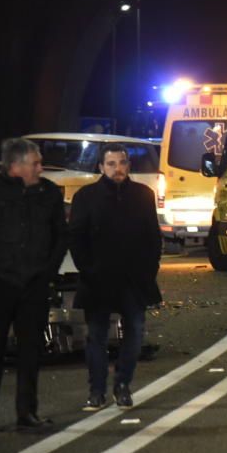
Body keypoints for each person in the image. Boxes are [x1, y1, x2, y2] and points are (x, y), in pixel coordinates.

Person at [0, 138, 66, 434]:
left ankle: (27, 411)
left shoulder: (48, 193)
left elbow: (60, 235)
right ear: (15, 166)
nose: (41, 168)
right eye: (36, 163)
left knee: (31, 352)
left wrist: (48, 273)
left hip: (34, 285)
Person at [69, 142, 161, 411]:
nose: (117, 169)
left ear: (128, 165)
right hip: (98, 278)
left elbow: (152, 236)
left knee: (134, 333)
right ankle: (97, 390)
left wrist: (148, 270)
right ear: (101, 167)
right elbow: (76, 236)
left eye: (121, 163)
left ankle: (123, 385)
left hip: (134, 278)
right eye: (111, 164)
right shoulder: (86, 197)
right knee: (96, 336)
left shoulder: (143, 194)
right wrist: (87, 268)